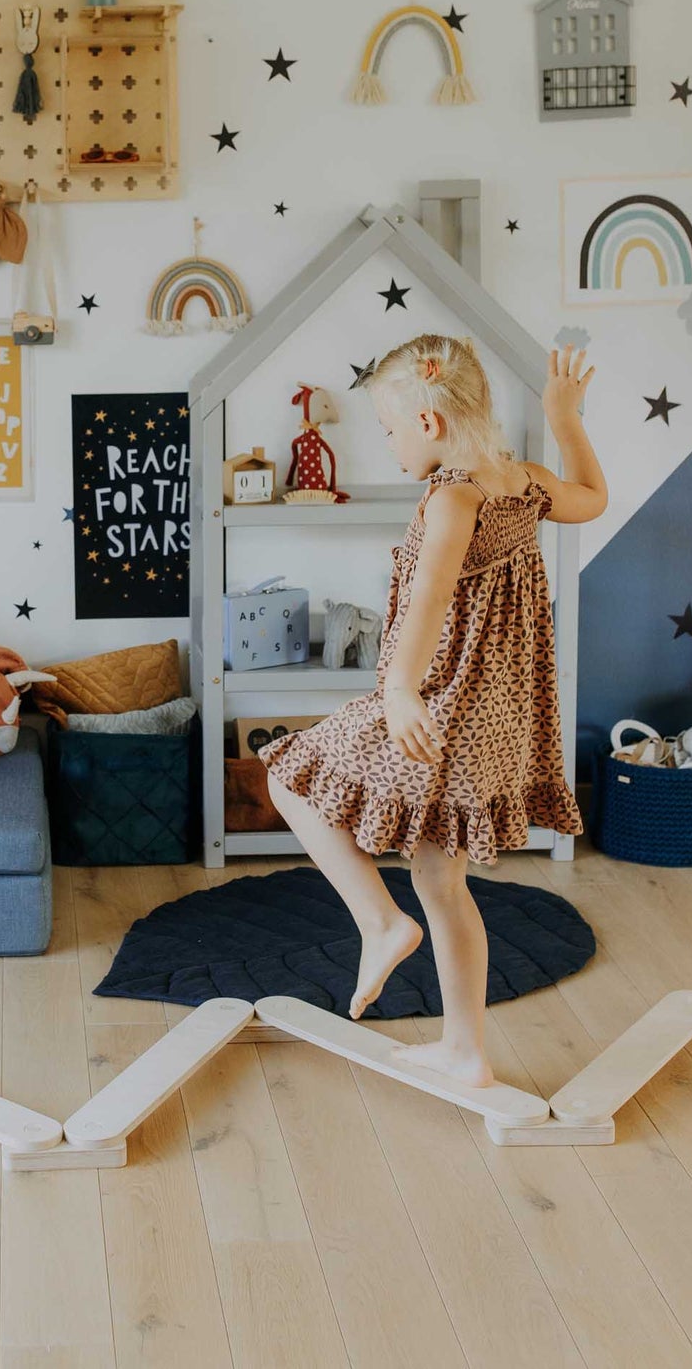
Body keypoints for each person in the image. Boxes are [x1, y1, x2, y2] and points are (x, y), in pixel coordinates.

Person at [257, 334, 604, 1088]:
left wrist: (397, 689)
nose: (386, 443)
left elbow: (429, 596)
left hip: (440, 707)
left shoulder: (454, 495)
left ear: (429, 421)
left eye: (387, 427)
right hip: (497, 720)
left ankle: (380, 924)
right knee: (440, 882)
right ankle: (464, 1050)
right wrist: (564, 419)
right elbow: (594, 499)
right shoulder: (524, 483)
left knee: (288, 773)